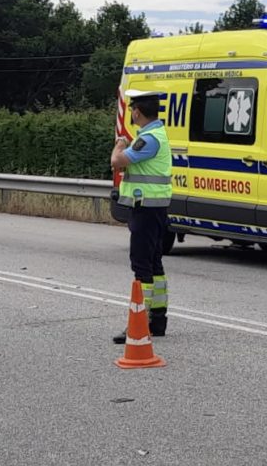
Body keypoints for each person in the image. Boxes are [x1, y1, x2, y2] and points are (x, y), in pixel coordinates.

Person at [109, 90, 172, 344]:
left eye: (132, 110)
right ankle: (157, 321)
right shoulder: (156, 135)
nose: (131, 113)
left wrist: (119, 145)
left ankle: (140, 322)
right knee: (154, 264)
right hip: (155, 207)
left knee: (142, 265)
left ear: (136, 112)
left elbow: (118, 162)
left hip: (145, 207)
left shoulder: (148, 139)